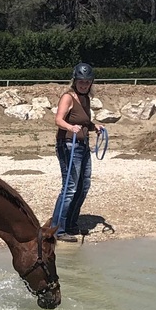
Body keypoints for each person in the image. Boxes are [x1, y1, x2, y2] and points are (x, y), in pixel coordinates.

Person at [50, 62, 105, 242]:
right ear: (75, 80)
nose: (84, 85)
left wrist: (93, 126)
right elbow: (58, 120)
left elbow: (84, 121)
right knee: (70, 187)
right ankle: (58, 229)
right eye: (81, 81)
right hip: (68, 145)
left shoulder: (85, 98)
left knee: (84, 185)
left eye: (87, 82)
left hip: (83, 145)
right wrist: (70, 127)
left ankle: (72, 223)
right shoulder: (68, 97)